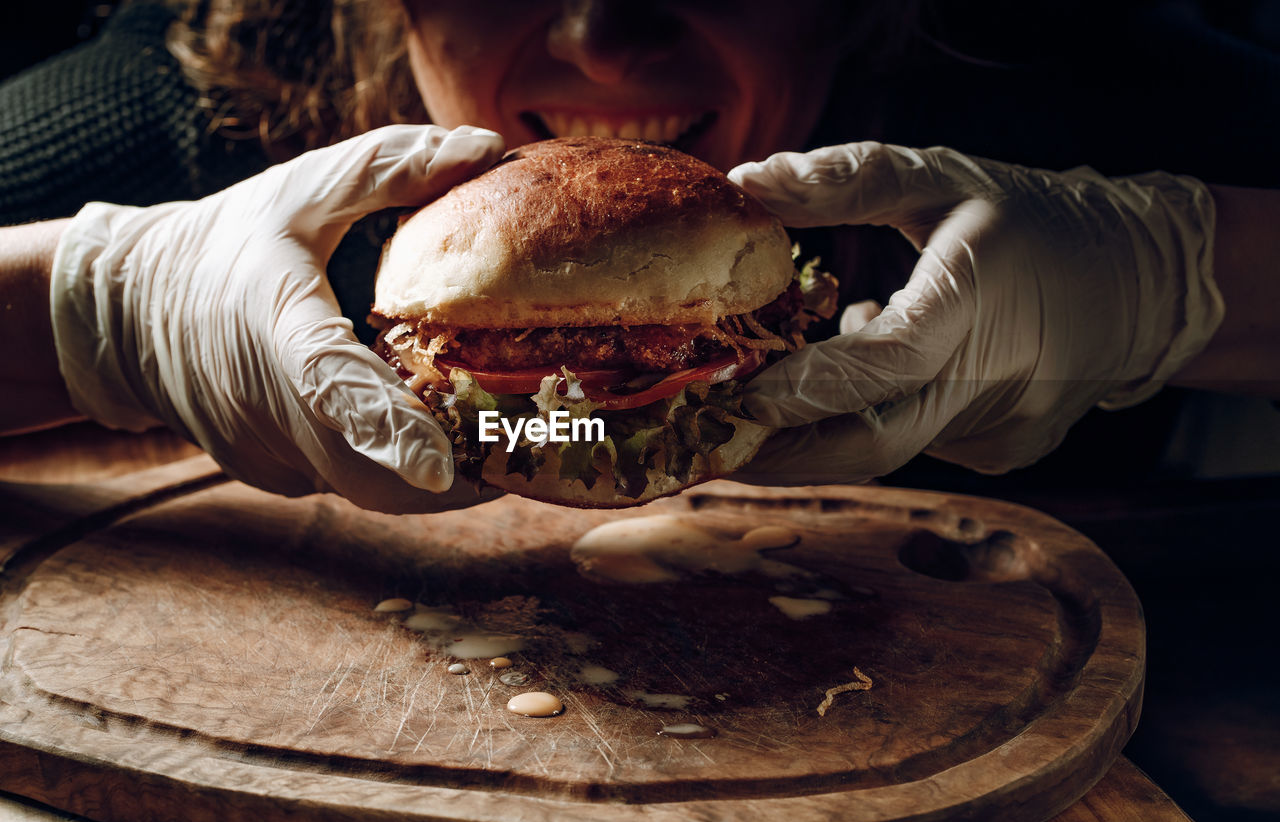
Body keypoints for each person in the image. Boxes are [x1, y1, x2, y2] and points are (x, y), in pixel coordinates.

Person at [0, 0, 1277, 511]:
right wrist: (104, 301)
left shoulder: (1054, 74)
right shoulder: (191, 97)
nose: (606, 41)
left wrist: (1172, 267)